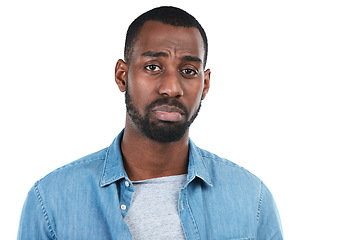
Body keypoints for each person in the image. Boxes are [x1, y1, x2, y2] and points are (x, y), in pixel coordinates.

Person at [18, 6, 283, 240]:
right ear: (122, 76)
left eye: (188, 71)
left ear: (205, 84)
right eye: (153, 67)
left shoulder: (252, 199)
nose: (171, 88)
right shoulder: (51, 201)